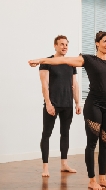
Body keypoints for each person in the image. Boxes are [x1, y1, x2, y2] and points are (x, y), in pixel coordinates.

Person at [29, 31, 106, 190]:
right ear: (97, 43)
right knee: (92, 142)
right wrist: (39, 60)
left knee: (105, 141)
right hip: (94, 105)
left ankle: (102, 179)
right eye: (104, 41)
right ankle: (91, 180)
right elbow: (62, 60)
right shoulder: (88, 59)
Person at [32, 35, 81, 177]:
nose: (64, 46)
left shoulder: (71, 63)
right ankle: (45, 167)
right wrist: (48, 103)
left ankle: (64, 164)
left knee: (65, 134)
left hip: (67, 105)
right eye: (61, 44)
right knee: (46, 134)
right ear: (55, 46)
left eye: (66, 44)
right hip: (53, 104)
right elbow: (44, 84)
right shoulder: (47, 62)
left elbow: (75, 84)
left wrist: (77, 102)